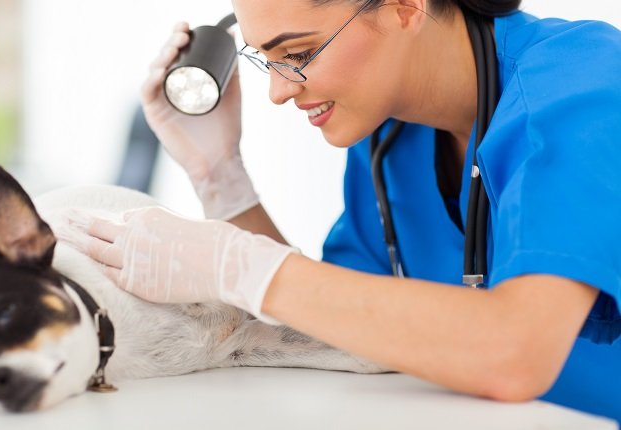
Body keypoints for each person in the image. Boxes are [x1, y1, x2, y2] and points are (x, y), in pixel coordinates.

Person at [60, 0, 621, 422]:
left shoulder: (584, 82)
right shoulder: (386, 139)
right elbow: (338, 325)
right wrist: (220, 177)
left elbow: (515, 352)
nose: (279, 93)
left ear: (406, 6)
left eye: (299, 54)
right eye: (268, 62)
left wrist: (236, 265)